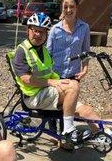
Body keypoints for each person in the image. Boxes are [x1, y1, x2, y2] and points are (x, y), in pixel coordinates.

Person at [12, 12, 91, 144]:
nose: (38, 34)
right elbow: (25, 79)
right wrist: (52, 82)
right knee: (73, 86)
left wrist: (60, 81)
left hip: (45, 91)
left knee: (83, 103)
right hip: (32, 96)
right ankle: (68, 129)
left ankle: (102, 137)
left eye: (42, 32)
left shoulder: (44, 51)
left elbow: (50, 72)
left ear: (46, 34)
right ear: (28, 30)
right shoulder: (22, 50)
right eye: (35, 30)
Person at [46, 0, 103, 131]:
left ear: (77, 8)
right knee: (55, 107)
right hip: (56, 75)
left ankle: (66, 131)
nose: (68, 10)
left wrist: (85, 69)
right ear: (62, 8)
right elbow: (47, 54)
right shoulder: (55, 30)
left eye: (72, 6)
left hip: (73, 75)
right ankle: (54, 133)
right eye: (65, 7)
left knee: (69, 105)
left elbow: (86, 52)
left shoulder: (84, 28)